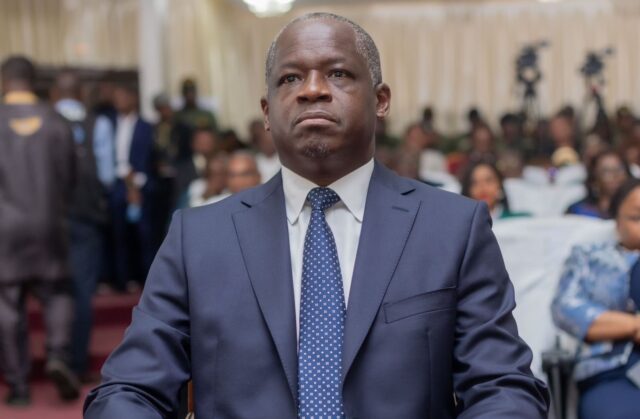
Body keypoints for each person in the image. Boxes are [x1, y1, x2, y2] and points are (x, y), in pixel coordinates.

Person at [85, 13, 549, 418]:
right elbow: (129, 390)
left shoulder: (452, 228)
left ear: (381, 100)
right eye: (290, 79)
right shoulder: (198, 237)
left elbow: (502, 387)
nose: (311, 90)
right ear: (267, 112)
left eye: (338, 73)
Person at [0, 56, 79, 404]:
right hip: (48, 220)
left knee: (7, 302)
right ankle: (58, 354)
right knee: (58, 290)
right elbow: (71, 177)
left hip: (4, 227)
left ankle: (18, 387)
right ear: (33, 81)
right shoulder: (56, 121)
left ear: (4, 81)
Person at [552, 178, 640, 419]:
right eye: (636, 218)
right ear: (617, 221)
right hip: (610, 369)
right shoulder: (589, 257)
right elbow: (565, 308)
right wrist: (634, 325)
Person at [53, 70, 115, 382]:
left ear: (54, 94)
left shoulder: (44, 122)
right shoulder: (98, 124)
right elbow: (107, 176)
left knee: (49, 289)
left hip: (48, 218)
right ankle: (76, 365)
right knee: (81, 288)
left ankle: (50, 355)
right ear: (80, 95)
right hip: (85, 216)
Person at [109, 84, 156, 291]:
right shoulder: (109, 124)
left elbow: (149, 159)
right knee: (119, 235)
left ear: (133, 99)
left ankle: (148, 280)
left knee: (144, 235)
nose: (118, 101)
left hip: (141, 186)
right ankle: (123, 280)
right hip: (117, 185)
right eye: (116, 97)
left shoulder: (146, 127)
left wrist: (135, 184)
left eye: (122, 97)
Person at [566, 150, 630, 219]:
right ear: (594, 179)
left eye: (620, 169)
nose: (615, 175)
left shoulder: (634, 209)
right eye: (607, 171)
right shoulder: (579, 210)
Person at [461, 161, 528, 220]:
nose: (482, 188)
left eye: (488, 180)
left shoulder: (521, 220)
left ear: (500, 184)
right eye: (475, 183)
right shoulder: (461, 226)